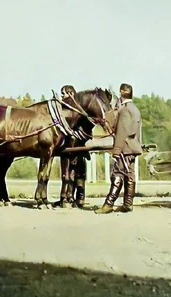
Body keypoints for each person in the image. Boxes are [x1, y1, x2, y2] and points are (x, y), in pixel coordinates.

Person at [96, 83, 143, 214]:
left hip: (125, 148)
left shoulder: (124, 110)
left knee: (117, 173)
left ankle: (109, 204)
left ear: (122, 93)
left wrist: (116, 150)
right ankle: (128, 204)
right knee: (130, 175)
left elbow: (122, 132)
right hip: (133, 147)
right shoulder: (134, 108)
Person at [57, 84, 89, 209]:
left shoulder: (78, 110)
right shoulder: (68, 109)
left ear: (70, 94)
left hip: (78, 144)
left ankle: (79, 197)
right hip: (70, 144)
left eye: (63, 94)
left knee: (77, 172)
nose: (62, 97)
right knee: (69, 172)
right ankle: (67, 197)